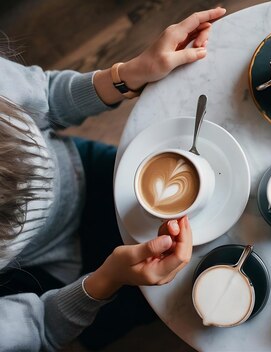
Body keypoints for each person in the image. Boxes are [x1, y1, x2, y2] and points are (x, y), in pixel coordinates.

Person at [0, 7, 227, 351]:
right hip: (59, 282)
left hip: (82, 170)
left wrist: (128, 74)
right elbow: (41, 328)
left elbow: (44, 98)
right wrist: (107, 281)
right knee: (193, 300)